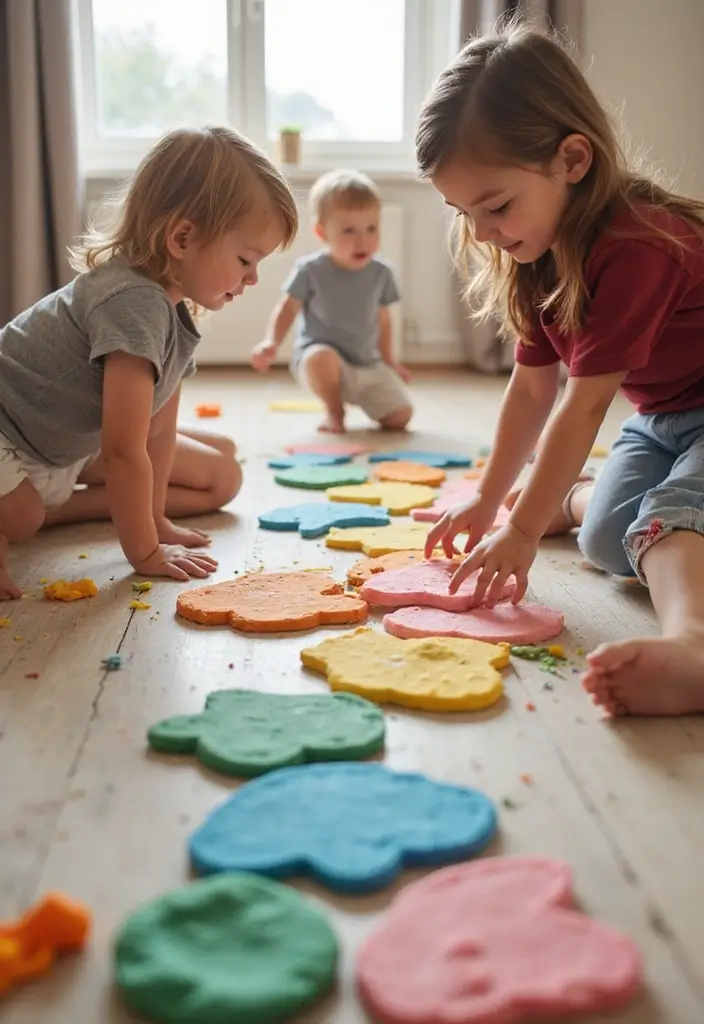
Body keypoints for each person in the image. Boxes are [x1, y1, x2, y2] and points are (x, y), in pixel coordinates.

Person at [417, 22, 704, 717]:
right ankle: (573, 495)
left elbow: (583, 404)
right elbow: (530, 389)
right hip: (663, 419)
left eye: (495, 207)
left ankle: (694, 644)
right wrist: (490, 500)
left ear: (572, 159)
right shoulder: (534, 252)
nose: (481, 233)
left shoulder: (640, 245)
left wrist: (520, 531)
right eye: (463, 212)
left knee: (668, 519)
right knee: (606, 540)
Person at [0, 126, 297, 599]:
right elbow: (123, 449)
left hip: (61, 441)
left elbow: (157, 431)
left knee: (222, 476)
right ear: (182, 237)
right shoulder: (133, 303)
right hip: (10, 433)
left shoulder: (172, 305)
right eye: (245, 260)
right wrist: (145, 551)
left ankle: (54, 505)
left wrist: (156, 521)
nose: (253, 278)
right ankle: (34, 510)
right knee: (22, 517)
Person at [251, 169, 413, 434]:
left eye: (371, 228)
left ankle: (362, 396)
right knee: (321, 357)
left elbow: (383, 320)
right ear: (322, 232)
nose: (362, 240)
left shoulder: (381, 273)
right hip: (321, 362)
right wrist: (272, 342)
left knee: (400, 418)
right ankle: (334, 410)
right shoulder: (310, 270)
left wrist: (389, 361)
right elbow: (288, 308)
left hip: (367, 364)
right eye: (349, 230)